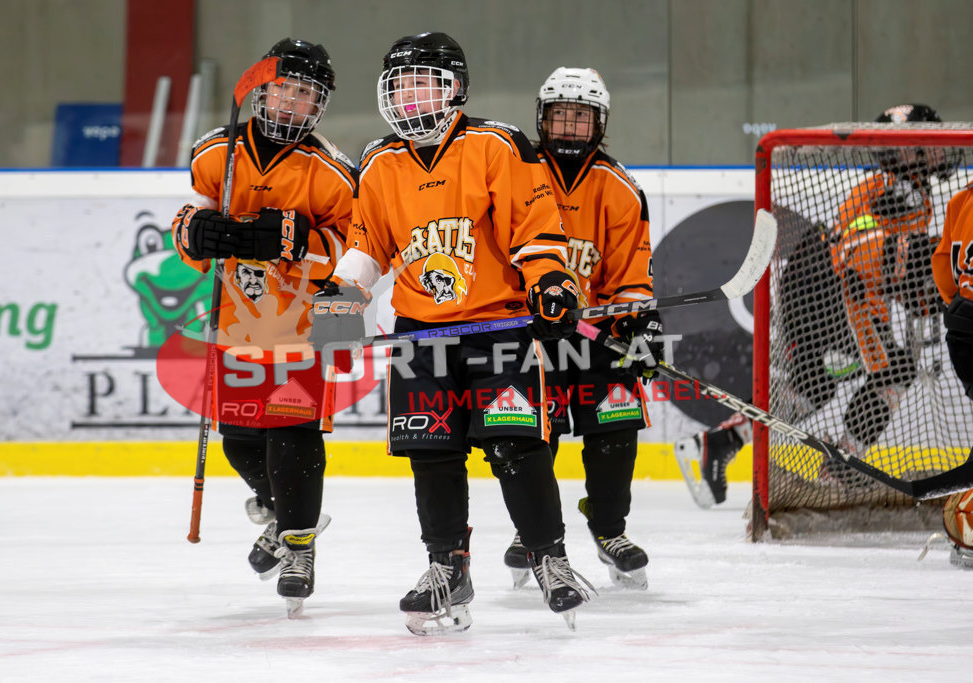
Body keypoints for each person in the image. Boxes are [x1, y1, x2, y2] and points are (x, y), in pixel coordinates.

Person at [310, 32, 593, 634]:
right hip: (420, 336)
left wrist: (550, 280)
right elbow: (368, 245)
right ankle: (447, 566)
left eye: (424, 83)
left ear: (455, 89)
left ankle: (550, 558)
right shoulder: (379, 162)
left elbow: (535, 229)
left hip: (500, 328)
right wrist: (341, 296)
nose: (411, 96)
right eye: (401, 85)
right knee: (431, 453)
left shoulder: (497, 144)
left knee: (516, 446)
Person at [675, 103, 950, 498]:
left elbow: (886, 266)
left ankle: (719, 442)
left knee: (814, 386)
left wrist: (916, 286)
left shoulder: (911, 194)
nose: (941, 150)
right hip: (826, 286)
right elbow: (860, 254)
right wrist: (919, 262)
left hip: (822, 283)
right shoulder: (888, 191)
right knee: (893, 373)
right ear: (911, 150)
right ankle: (841, 466)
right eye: (930, 142)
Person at [170, 38, 356, 614]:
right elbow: (189, 218)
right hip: (237, 321)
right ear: (263, 92)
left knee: (290, 435)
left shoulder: (333, 171)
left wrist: (300, 242)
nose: (293, 102)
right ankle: (285, 513)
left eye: (306, 95)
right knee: (239, 440)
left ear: (319, 106)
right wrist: (194, 233)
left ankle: (299, 546)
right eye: (285, 90)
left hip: (305, 323)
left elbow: (354, 249)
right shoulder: (215, 152)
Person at [500, 67, 660, 591]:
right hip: (531, 332)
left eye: (581, 117)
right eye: (560, 116)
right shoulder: (516, 172)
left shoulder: (619, 187)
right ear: (542, 119)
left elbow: (631, 273)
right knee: (532, 435)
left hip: (597, 334)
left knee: (615, 428)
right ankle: (532, 530)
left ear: (600, 123)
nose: (569, 127)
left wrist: (640, 319)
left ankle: (609, 528)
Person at [932, 175, 973, 568]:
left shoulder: (961, 199)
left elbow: (943, 267)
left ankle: (968, 537)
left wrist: (957, 303)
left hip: (964, 334)